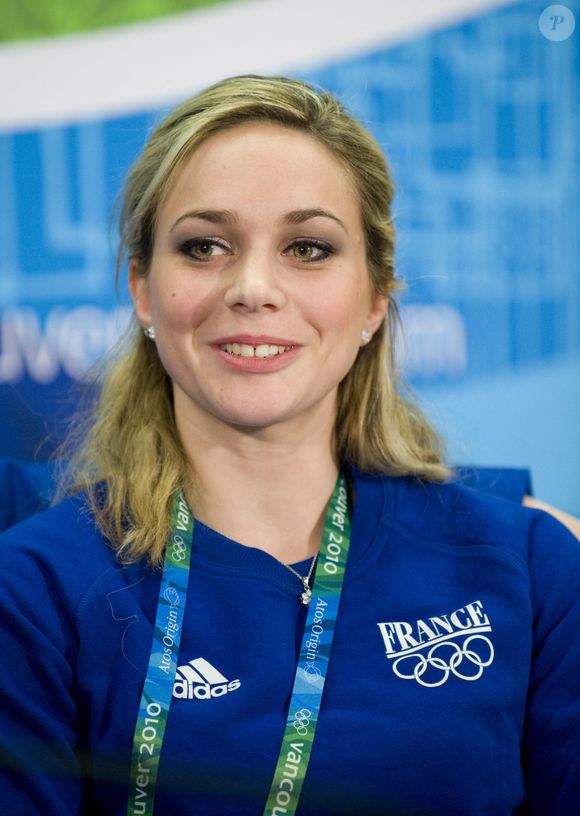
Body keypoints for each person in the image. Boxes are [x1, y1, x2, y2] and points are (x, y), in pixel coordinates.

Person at [0, 75, 578, 816]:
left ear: (375, 299)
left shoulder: (531, 565)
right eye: (204, 246)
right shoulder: (35, 589)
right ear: (143, 289)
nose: (253, 287)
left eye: (308, 247)